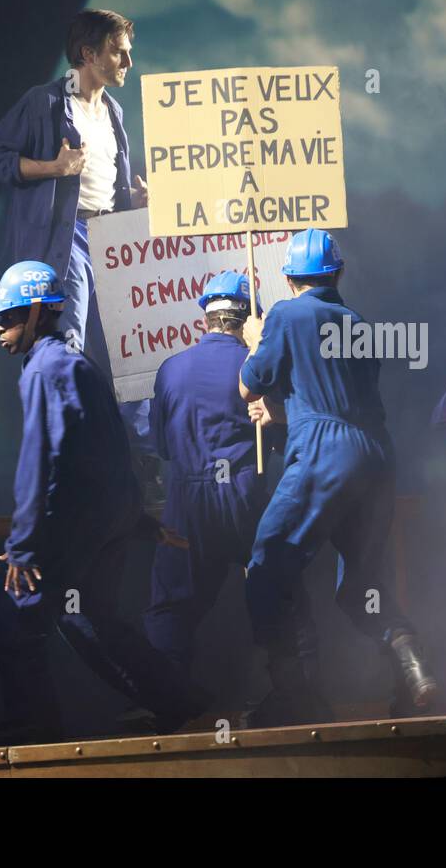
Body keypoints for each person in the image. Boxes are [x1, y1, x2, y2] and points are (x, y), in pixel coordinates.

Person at [0, 261, 202, 741]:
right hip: (109, 526)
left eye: (9, 317)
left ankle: (33, 728)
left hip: (73, 528)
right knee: (90, 618)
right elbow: (110, 450)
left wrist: (23, 544)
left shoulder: (43, 370)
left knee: (13, 618)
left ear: (38, 312)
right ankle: (179, 702)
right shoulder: (81, 365)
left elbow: (38, 461)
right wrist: (137, 519)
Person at [238, 228, 437, 725]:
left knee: (266, 564)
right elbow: (343, 404)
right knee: (360, 586)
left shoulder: (284, 314)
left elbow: (248, 387)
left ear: (288, 278)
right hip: (374, 455)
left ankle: (290, 693)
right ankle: (412, 670)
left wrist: (253, 342)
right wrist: (286, 418)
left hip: (324, 453)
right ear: (338, 273)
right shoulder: (357, 322)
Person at [0, 9, 148, 354]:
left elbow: (97, 184)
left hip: (111, 240)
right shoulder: (45, 102)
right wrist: (53, 168)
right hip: (67, 237)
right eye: (119, 51)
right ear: (88, 54)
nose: (129, 61)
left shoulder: (114, 111)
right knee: (67, 344)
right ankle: (61, 404)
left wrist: (132, 197)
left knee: (127, 350)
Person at [144, 271, 282, 676]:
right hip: (246, 495)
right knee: (274, 592)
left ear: (205, 318)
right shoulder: (258, 369)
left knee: (171, 606)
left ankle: (168, 701)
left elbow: (163, 447)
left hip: (188, 502)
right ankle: (295, 693)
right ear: (250, 319)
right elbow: (279, 437)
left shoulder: (171, 369)